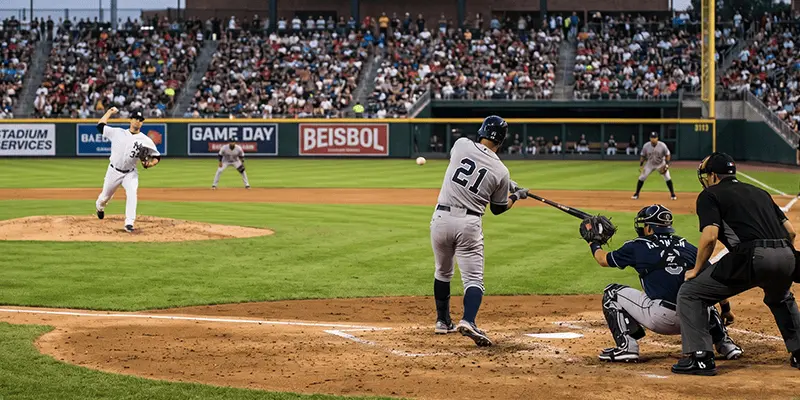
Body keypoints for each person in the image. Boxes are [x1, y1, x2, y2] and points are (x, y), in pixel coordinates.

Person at [673, 152, 800, 375]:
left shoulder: (710, 195)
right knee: (780, 296)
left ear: (713, 175)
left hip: (752, 255)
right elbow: (791, 232)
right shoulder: (760, 192)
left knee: (690, 293)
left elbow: (710, 236)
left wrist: (696, 269)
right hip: (788, 254)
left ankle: (700, 358)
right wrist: (779, 260)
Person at [582, 204, 742, 362]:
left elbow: (603, 259)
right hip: (695, 320)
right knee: (702, 298)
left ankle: (627, 347)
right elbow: (713, 278)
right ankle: (726, 344)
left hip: (662, 319)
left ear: (650, 229)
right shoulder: (687, 247)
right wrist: (726, 309)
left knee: (612, 293)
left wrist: (593, 243)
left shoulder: (637, 246)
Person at [431, 116, 528, 347]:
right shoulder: (501, 171)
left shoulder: (462, 144)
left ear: (482, 131)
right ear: (502, 141)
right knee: (473, 279)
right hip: (468, 224)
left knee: (443, 272)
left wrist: (505, 184)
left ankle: (442, 322)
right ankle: (468, 320)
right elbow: (498, 208)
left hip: (441, 218)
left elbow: (469, 166)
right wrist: (515, 194)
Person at [94, 108, 161, 232]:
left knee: (132, 193)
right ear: (130, 120)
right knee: (104, 197)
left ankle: (129, 223)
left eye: (140, 120)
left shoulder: (145, 140)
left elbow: (157, 157)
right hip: (113, 171)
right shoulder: (117, 132)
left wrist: (149, 164)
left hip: (130, 172)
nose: (138, 122)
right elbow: (100, 126)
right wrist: (109, 112)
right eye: (136, 119)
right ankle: (100, 207)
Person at [632, 132, 677, 201]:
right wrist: (641, 165)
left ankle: (673, 194)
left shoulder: (662, 145)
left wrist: (667, 165)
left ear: (657, 138)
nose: (653, 139)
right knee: (642, 177)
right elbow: (643, 156)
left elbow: (668, 155)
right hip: (650, 164)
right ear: (650, 138)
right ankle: (636, 194)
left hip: (661, 163)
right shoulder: (646, 146)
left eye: (654, 138)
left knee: (667, 177)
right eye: (652, 138)